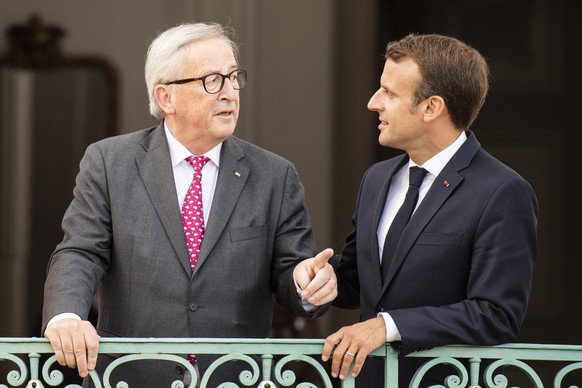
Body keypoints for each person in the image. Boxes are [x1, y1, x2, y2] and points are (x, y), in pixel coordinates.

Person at [42, 22, 336, 387]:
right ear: (166, 97)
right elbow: (80, 252)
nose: (230, 92)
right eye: (213, 80)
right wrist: (66, 316)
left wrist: (308, 284)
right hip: (130, 379)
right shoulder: (109, 163)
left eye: (233, 77)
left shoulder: (275, 176)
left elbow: (292, 272)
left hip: (235, 379)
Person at [320, 33, 538, 386]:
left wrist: (387, 327)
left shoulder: (503, 192)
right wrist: (321, 280)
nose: (373, 102)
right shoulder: (376, 179)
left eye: (389, 93)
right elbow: (359, 281)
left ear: (431, 107)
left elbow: (497, 315)